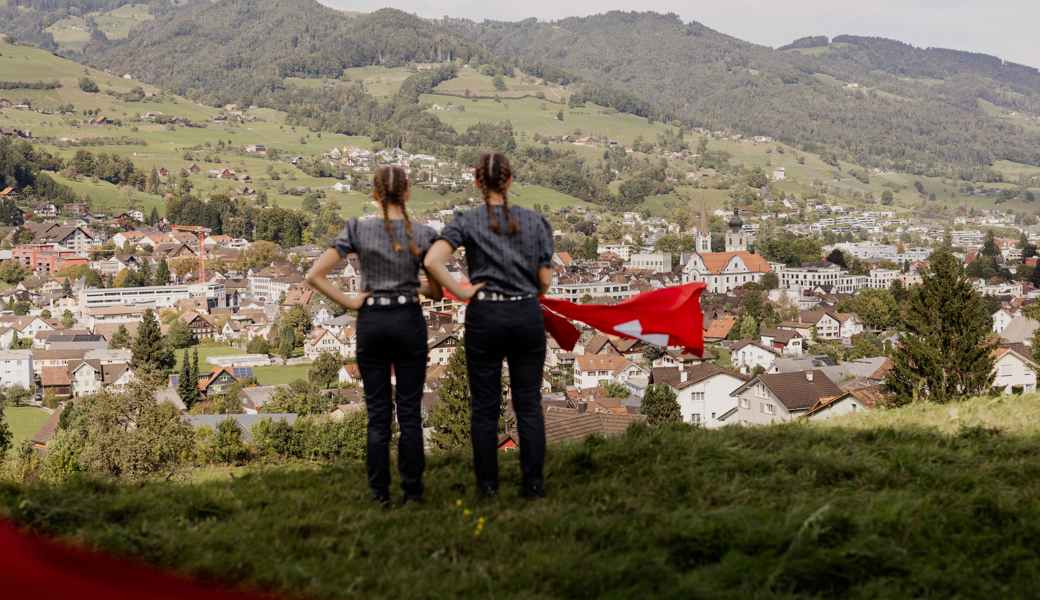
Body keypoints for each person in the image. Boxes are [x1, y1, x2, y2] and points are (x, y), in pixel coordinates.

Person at [306, 165, 441, 505]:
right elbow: (437, 291)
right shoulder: (423, 234)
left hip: (372, 320)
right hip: (407, 320)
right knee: (409, 411)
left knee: (378, 413)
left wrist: (351, 301)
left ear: (375, 194)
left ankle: (380, 494)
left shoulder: (358, 229)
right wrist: (411, 285)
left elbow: (315, 274)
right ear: (407, 192)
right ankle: (413, 492)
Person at [424, 152, 554, 499]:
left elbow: (433, 260)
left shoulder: (466, 221)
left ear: (476, 182)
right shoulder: (535, 221)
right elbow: (545, 281)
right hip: (525, 313)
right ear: (509, 181)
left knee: (484, 405)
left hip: (485, 315)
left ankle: (488, 487)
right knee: (528, 403)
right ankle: (533, 485)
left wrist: (461, 291)